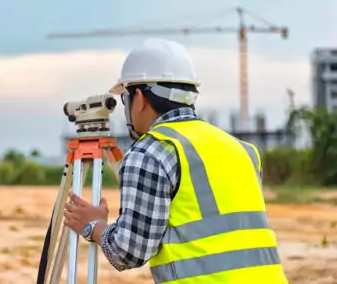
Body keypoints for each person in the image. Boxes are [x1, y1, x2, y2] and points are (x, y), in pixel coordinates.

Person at [63, 38, 288, 283]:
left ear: (138, 98)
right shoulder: (242, 150)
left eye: (125, 98)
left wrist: (92, 225)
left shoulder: (150, 152)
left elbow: (128, 253)